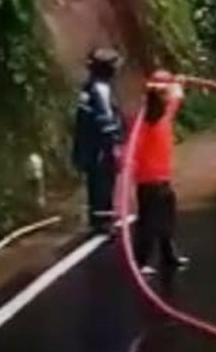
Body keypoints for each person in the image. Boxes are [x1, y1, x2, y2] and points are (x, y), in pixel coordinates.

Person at [133, 70, 188, 276]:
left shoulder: (164, 115)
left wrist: (178, 84)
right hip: (148, 180)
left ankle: (168, 256)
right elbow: (133, 148)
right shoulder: (145, 121)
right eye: (163, 94)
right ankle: (141, 261)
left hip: (163, 178)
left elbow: (176, 100)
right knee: (148, 222)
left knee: (167, 218)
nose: (167, 98)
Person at [72, 47, 124, 233]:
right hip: (100, 148)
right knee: (103, 183)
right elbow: (105, 121)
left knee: (95, 184)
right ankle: (103, 223)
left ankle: (98, 220)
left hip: (89, 147)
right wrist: (115, 144)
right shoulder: (100, 89)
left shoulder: (89, 87)